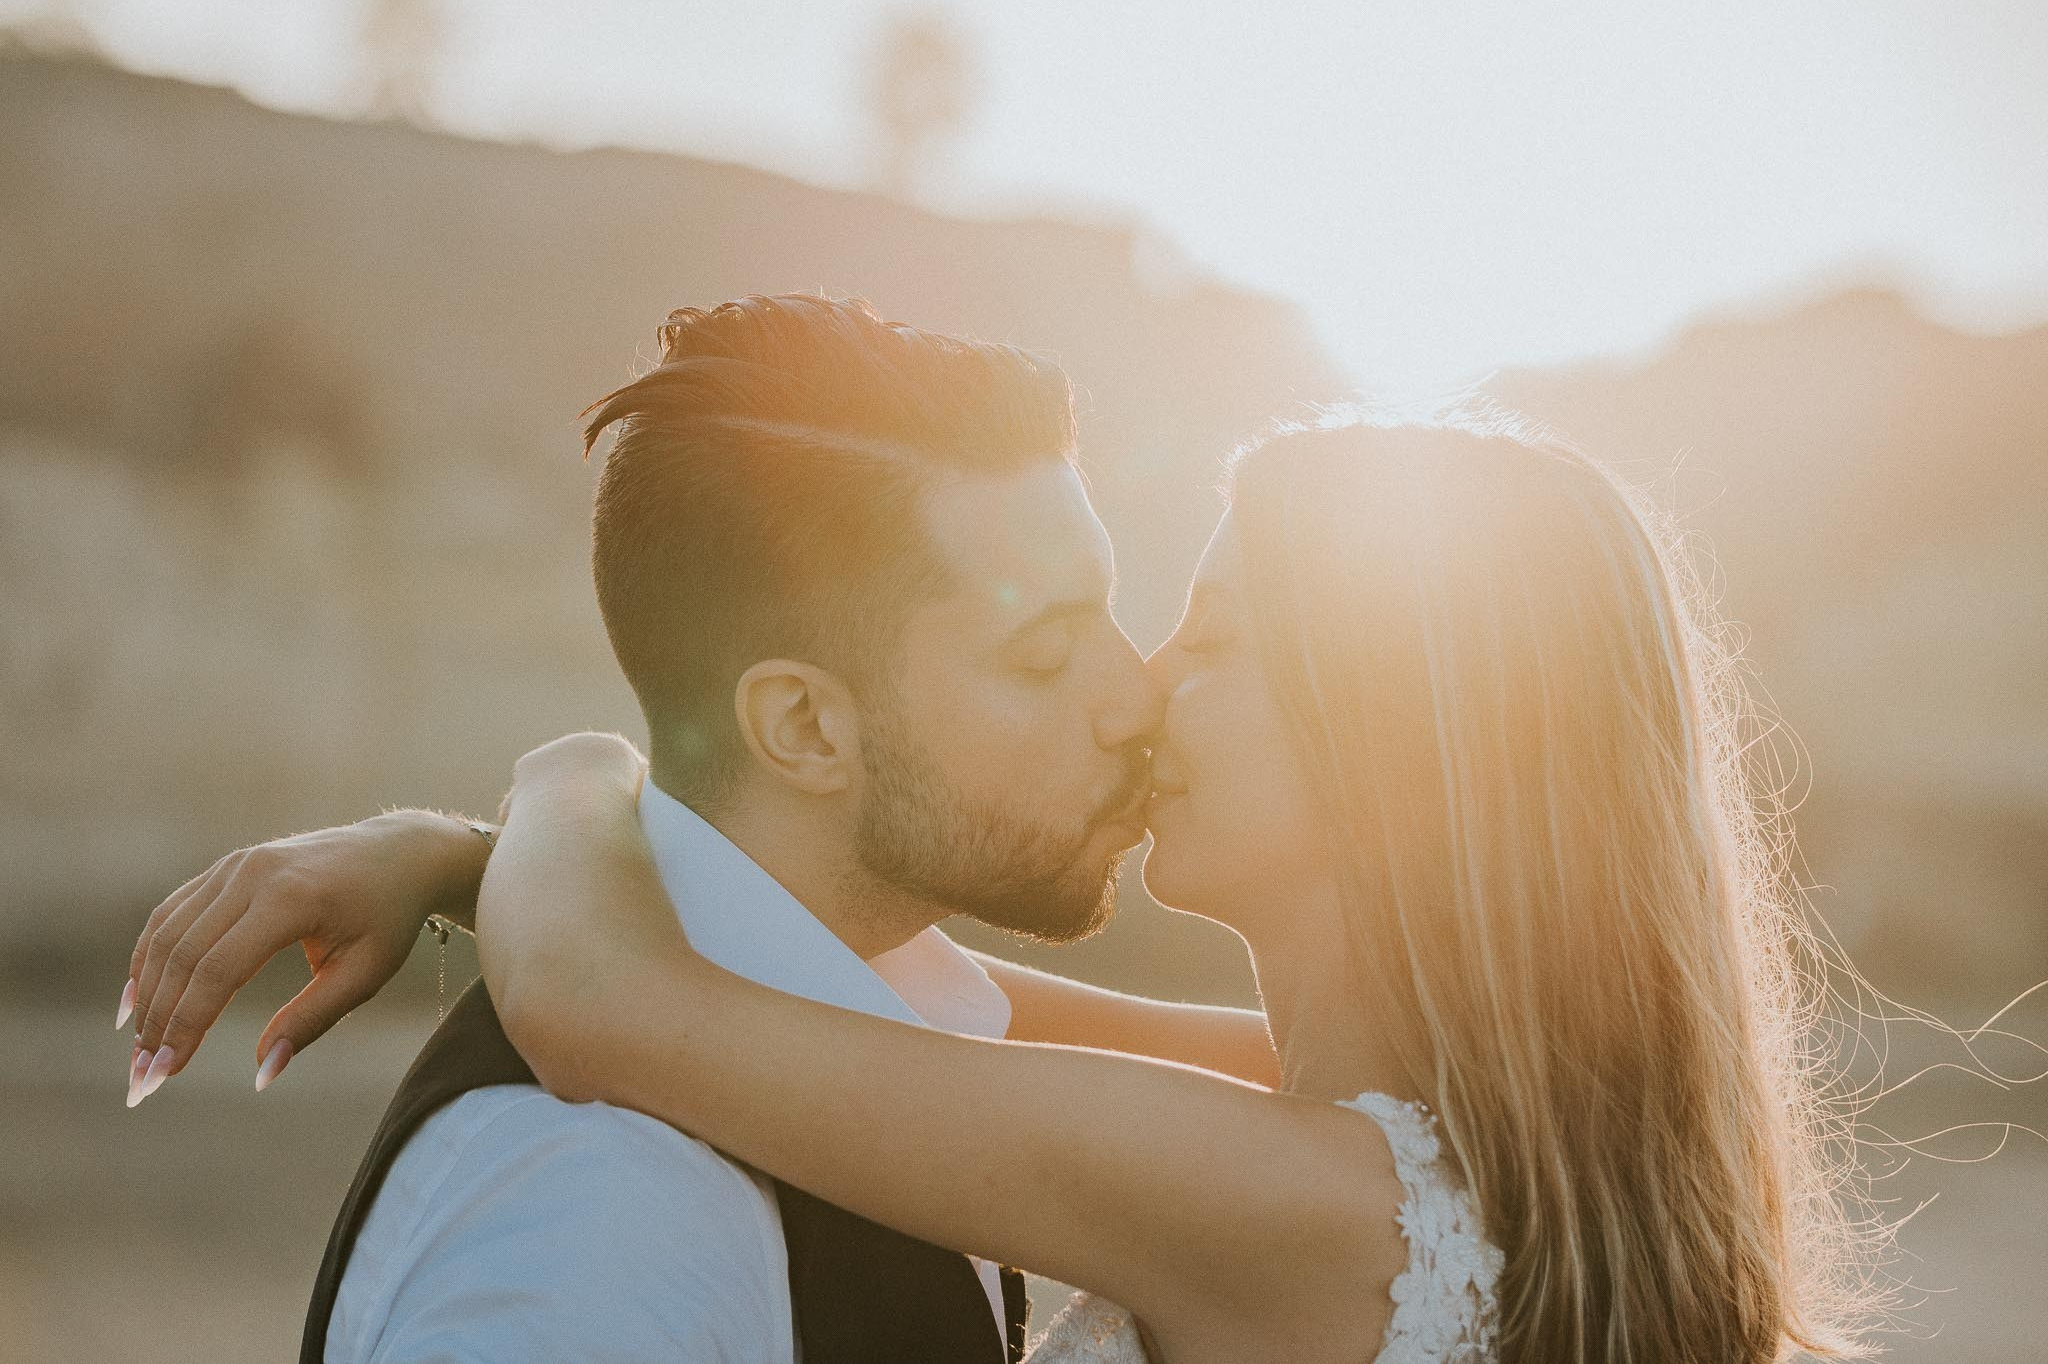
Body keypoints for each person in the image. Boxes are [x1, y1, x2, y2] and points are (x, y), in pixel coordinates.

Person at [129, 410, 1880, 1359]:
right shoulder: (1407, 1138)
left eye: (1212, 639)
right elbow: (861, 989)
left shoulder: (1295, 1190)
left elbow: (609, 1004)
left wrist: (567, 770)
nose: (1143, 687)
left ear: (1392, 747)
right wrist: (462, 864)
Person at [124, 293, 1251, 1363]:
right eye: (1043, 653)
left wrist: (474, 849)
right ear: (803, 724)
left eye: (1107, 612)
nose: (1133, 695)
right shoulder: (597, 1205)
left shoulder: (886, 1001)